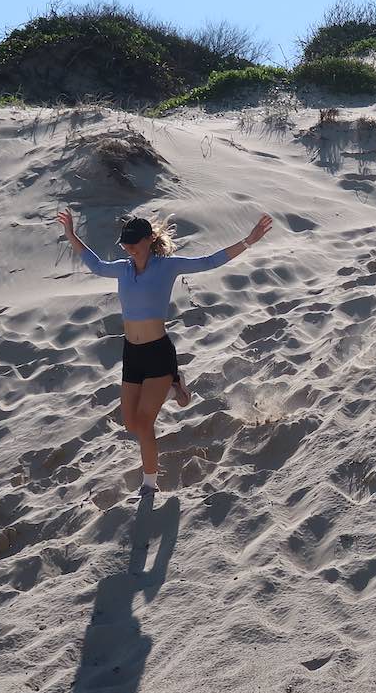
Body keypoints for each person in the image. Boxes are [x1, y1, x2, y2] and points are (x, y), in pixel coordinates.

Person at [56, 206, 273, 497]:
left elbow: (209, 261)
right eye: (125, 244)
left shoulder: (167, 266)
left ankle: (149, 483)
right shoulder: (122, 269)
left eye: (133, 243)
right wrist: (70, 234)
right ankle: (175, 390)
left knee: (144, 423)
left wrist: (248, 241)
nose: (128, 248)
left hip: (158, 353)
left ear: (148, 240)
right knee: (131, 422)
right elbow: (95, 264)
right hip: (132, 354)